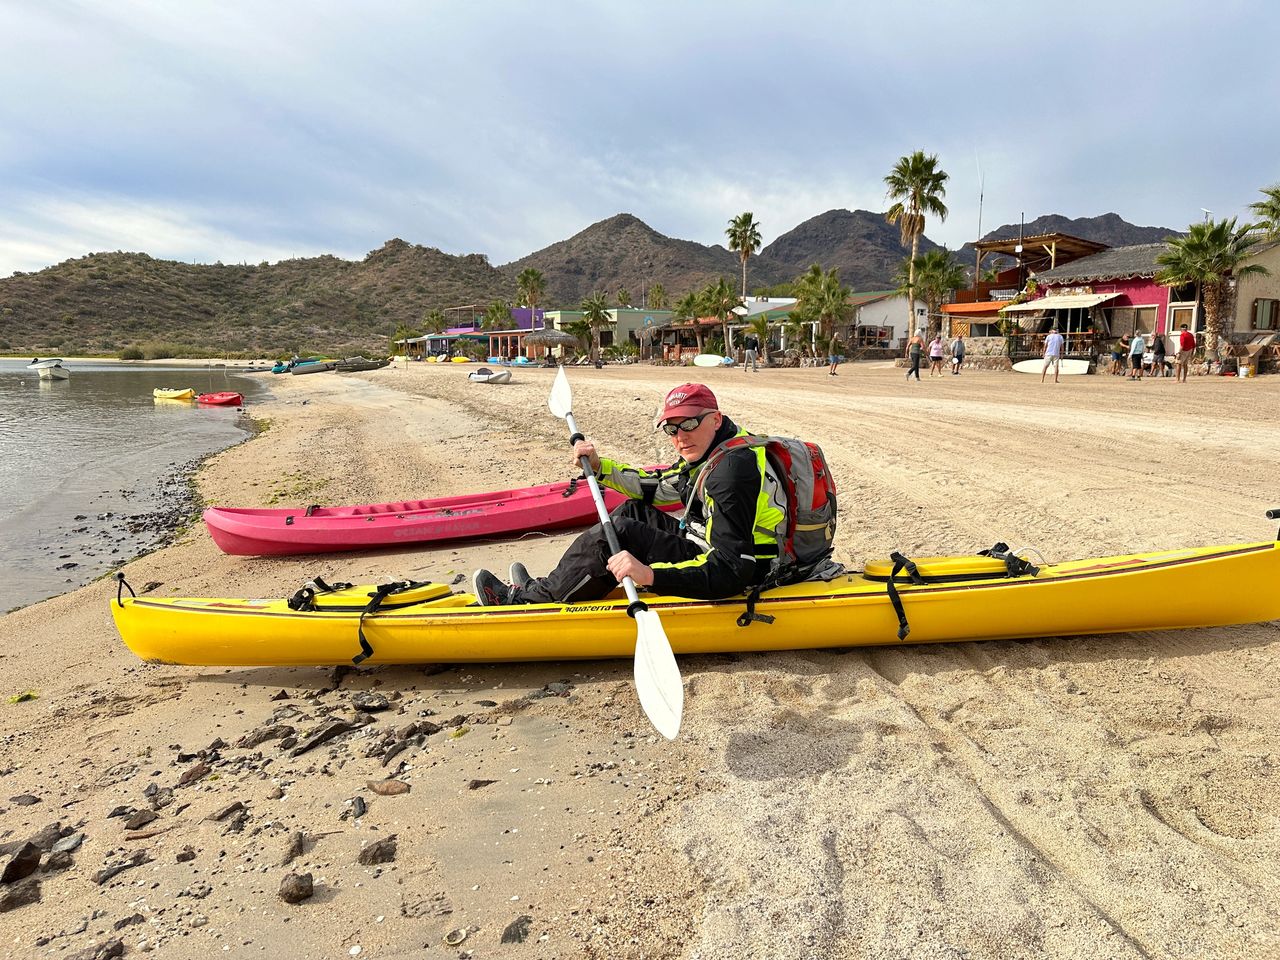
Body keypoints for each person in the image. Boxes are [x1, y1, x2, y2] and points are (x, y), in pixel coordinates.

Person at [472, 383, 789, 606]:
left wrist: (649, 575)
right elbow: (660, 487)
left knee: (618, 534)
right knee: (630, 512)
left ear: (715, 419)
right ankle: (555, 585)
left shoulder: (731, 472)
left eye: (689, 424)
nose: (680, 437)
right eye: (672, 429)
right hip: (710, 540)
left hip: (749, 567)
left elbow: (732, 571)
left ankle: (528, 600)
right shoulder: (717, 447)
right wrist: (599, 467)